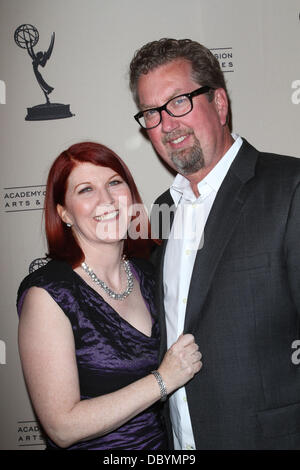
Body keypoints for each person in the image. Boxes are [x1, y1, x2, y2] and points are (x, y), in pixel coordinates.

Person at [129, 38, 300, 450]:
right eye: (152, 113)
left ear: (219, 103)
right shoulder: (162, 210)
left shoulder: (289, 188)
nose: (167, 124)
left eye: (179, 102)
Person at [17, 141, 202, 450]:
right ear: (64, 213)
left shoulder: (152, 272)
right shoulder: (48, 295)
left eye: (114, 183)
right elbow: (62, 427)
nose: (106, 200)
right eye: (85, 190)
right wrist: (163, 380)